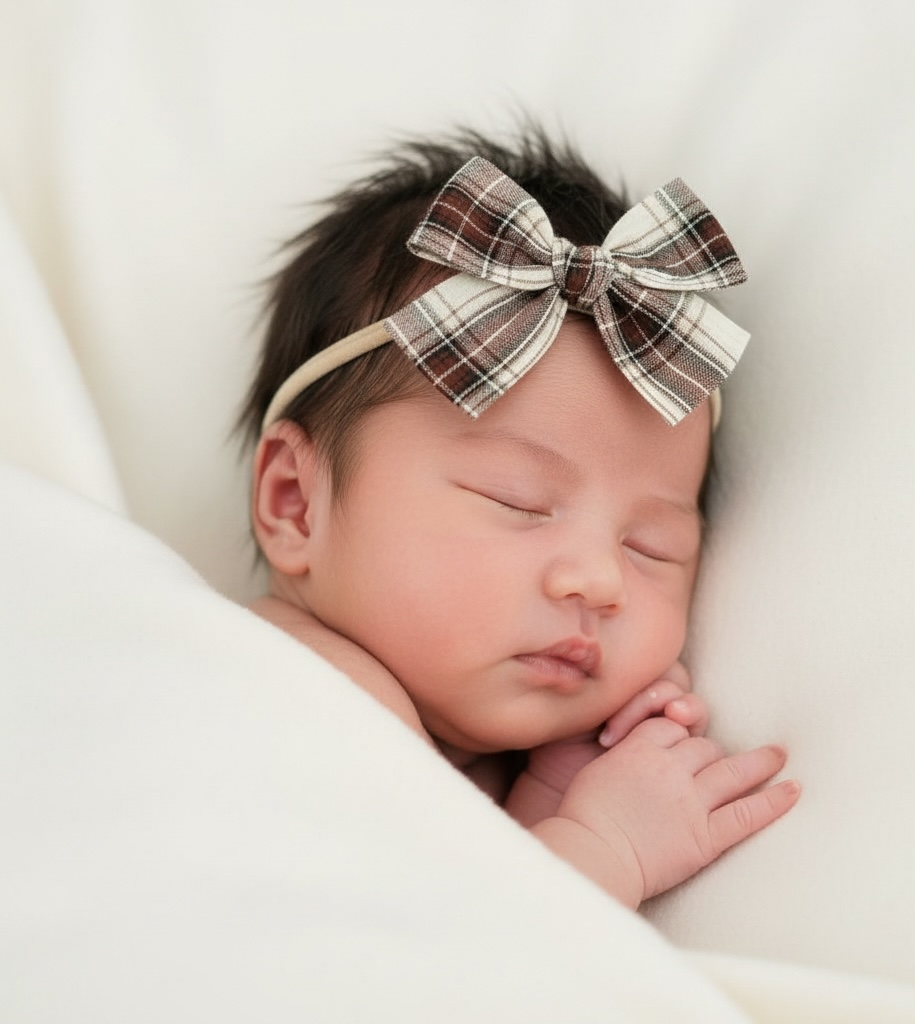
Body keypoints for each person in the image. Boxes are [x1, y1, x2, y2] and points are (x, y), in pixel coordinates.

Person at [238, 126, 800, 909]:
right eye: (518, 503)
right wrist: (604, 849)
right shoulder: (292, 689)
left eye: (652, 548)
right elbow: (436, 954)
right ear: (296, 503)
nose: (601, 580)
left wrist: (551, 796)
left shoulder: (441, 757)